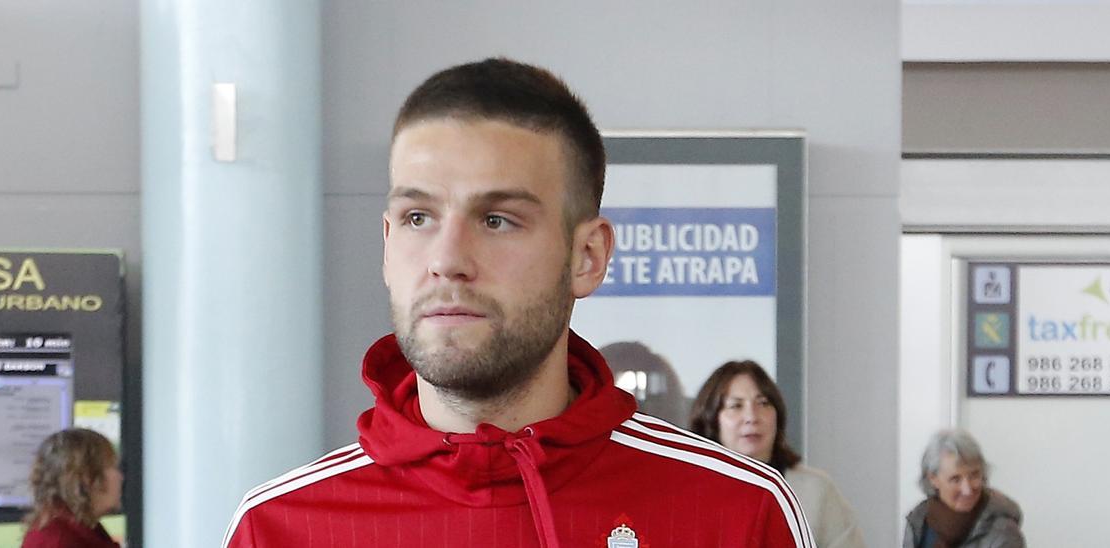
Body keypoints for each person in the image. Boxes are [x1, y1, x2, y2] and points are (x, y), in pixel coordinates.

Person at [223, 58, 812, 548]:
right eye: (418, 217)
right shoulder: (279, 527)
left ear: (587, 256)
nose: (446, 258)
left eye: (497, 219)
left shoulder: (737, 512)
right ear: (386, 245)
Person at [689, 360, 865, 548]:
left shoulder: (816, 491)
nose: (752, 417)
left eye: (763, 403)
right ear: (711, 420)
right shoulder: (693, 496)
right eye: (736, 406)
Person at [902, 429, 1024, 548]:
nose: (967, 490)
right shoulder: (919, 522)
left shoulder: (1003, 533)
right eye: (955, 479)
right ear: (933, 479)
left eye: (974, 476)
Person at [22, 428, 123, 548]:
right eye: (112, 466)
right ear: (87, 477)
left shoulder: (85, 530)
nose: (120, 477)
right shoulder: (60, 540)